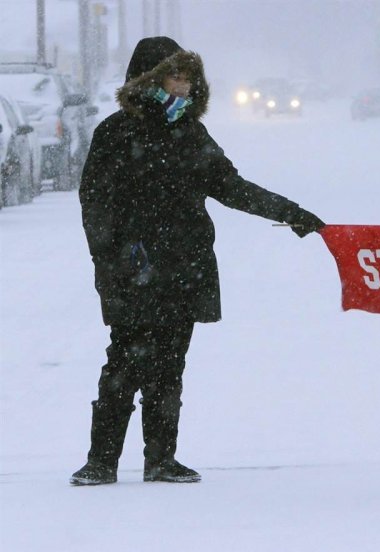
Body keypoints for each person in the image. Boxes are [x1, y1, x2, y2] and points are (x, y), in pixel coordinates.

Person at [70, 37, 325, 486]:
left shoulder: (191, 134)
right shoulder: (115, 133)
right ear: (150, 79)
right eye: (176, 75)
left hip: (184, 269)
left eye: (189, 77)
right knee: (124, 363)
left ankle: (161, 460)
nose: (185, 86)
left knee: (169, 367)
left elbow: (232, 187)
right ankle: (101, 461)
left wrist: (292, 213)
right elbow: (94, 204)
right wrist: (110, 259)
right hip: (134, 270)